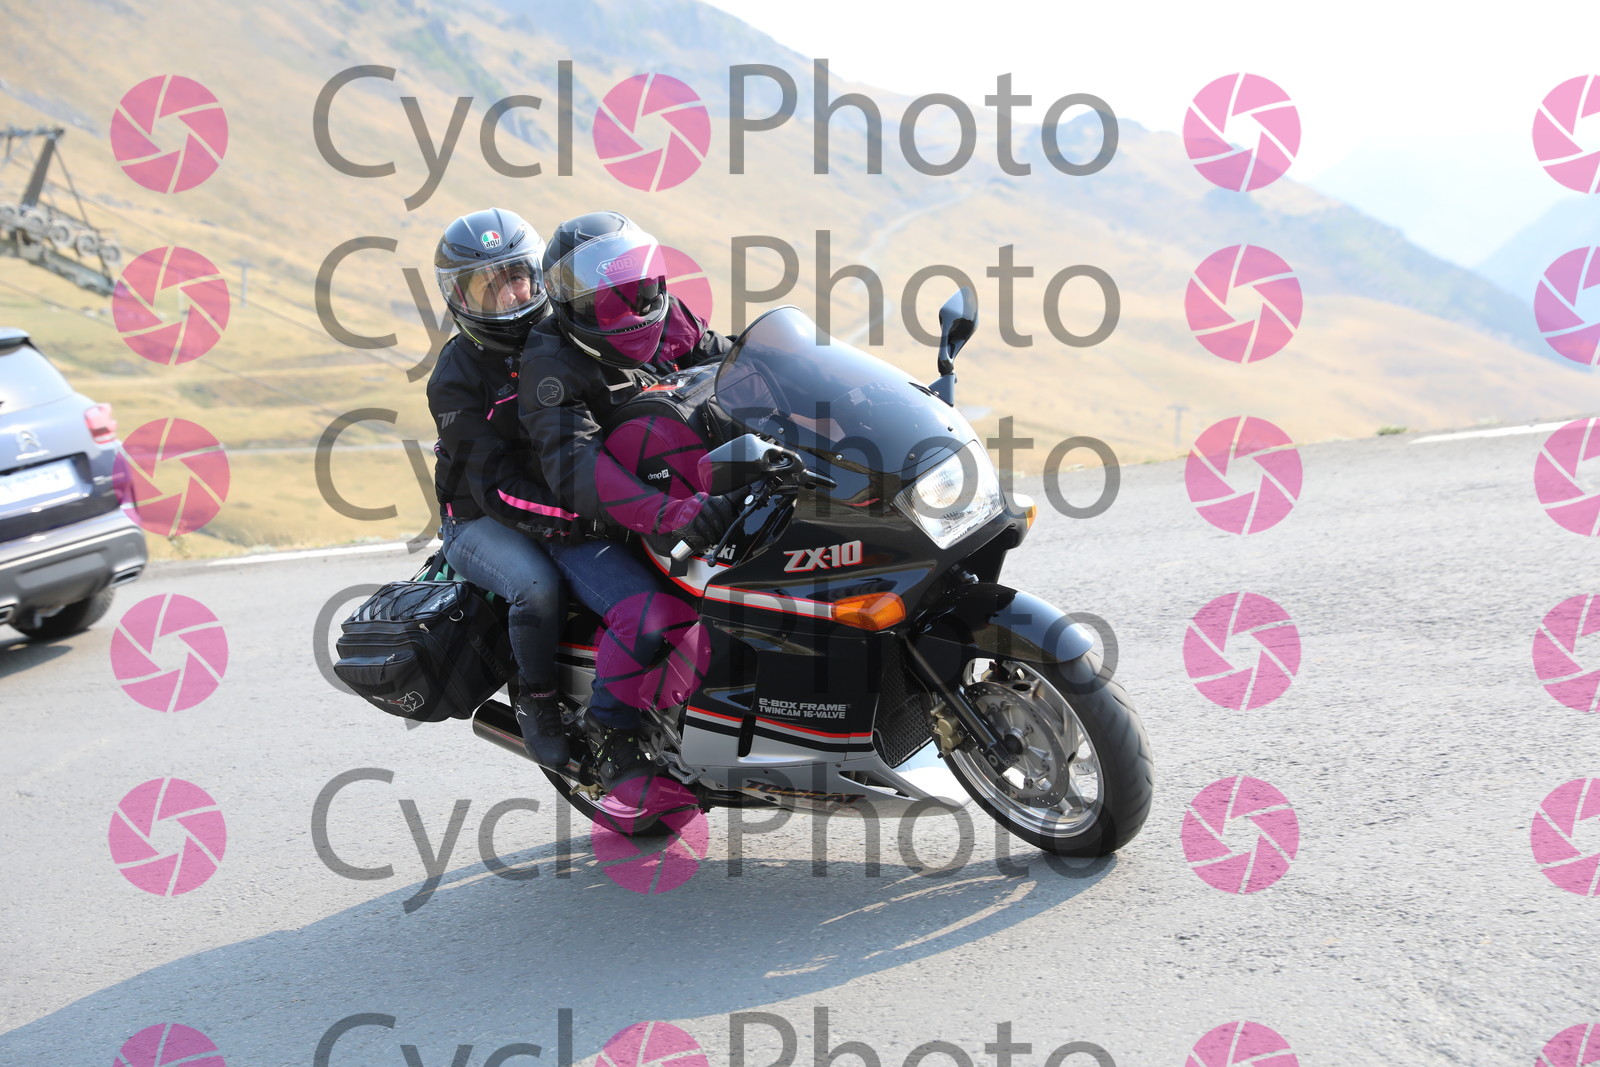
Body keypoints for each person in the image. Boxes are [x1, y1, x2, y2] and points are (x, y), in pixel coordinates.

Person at [520, 211, 744, 790]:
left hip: (680, 492)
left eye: (640, 290)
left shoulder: (666, 315)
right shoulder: (550, 362)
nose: (632, 308)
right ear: (571, 306)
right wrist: (672, 514)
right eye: (608, 299)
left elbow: (736, 364)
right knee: (650, 615)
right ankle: (610, 730)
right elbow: (577, 466)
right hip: (585, 525)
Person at [428, 207, 575, 769]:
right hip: (480, 518)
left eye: (516, 276)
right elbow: (492, 488)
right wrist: (578, 519)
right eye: (489, 286)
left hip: (561, 494)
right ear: (459, 296)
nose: (511, 295)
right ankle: (537, 702)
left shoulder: (561, 335)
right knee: (536, 587)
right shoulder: (455, 378)